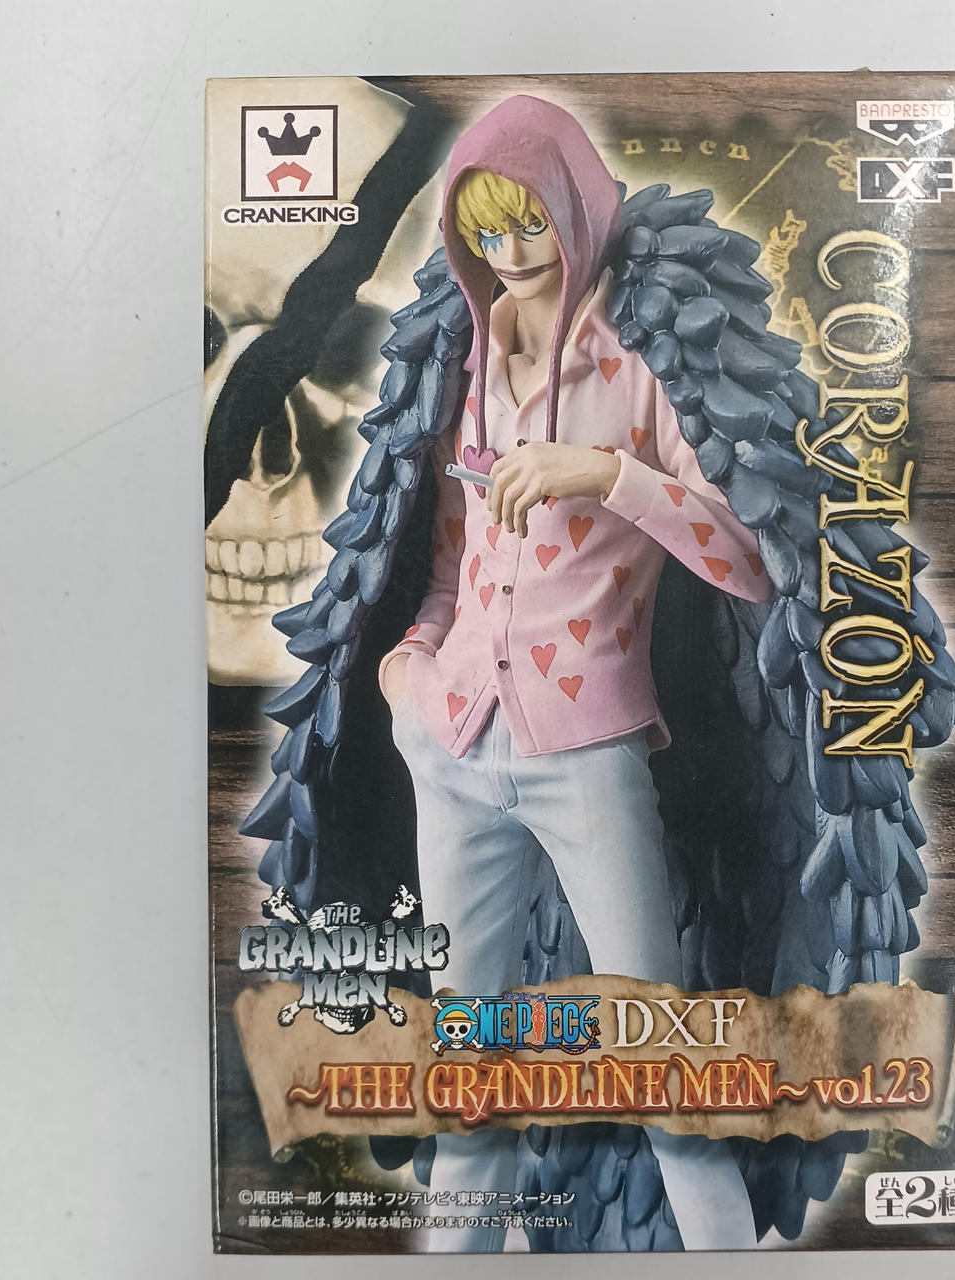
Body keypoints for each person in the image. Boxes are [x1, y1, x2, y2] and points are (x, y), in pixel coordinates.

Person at [377, 95, 771, 1252]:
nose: (509, 253)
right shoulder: (463, 357)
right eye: (485, 232)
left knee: (658, 1060)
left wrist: (605, 472)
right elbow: (451, 564)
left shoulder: (637, 363)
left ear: (578, 207)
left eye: (529, 222)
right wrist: (408, 670)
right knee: (471, 1072)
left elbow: (746, 559)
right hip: (450, 741)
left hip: (586, 751)